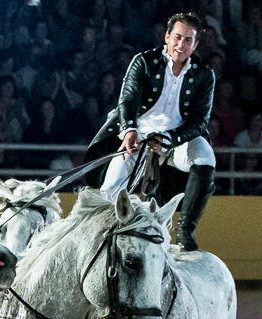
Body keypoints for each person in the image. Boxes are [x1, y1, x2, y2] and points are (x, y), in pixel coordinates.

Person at [86, 12, 216, 251]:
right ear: (167, 37)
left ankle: (186, 230)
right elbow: (128, 100)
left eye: (188, 40)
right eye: (177, 37)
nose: (181, 44)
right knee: (109, 190)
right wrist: (129, 130)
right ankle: (96, 241)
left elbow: (199, 121)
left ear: (195, 45)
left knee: (206, 156)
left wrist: (168, 139)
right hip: (137, 137)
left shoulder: (204, 74)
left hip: (177, 141)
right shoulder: (143, 61)